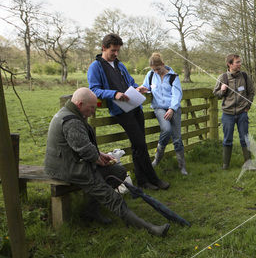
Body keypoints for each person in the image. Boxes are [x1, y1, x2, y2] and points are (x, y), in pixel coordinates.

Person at [44, 88, 169, 236]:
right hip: (65, 168)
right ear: (79, 104)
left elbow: (82, 147)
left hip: (72, 162)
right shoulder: (71, 122)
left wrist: (100, 155)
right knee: (112, 197)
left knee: (118, 171)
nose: (93, 112)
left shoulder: (73, 113)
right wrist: (98, 159)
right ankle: (150, 229)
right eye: (91, 108)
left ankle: (91, 211)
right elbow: (85, 150)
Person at [87, 33, 169, 191]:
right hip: (120, 110)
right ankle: (153, 179)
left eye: (118, 51)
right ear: (104, 48)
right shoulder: (95, 67)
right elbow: (94, 89)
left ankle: (142, 181)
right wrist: (114, 94)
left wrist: (138, 87)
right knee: (139, 144)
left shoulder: (119, 65)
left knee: (140, 145)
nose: (116, 54)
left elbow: (130, 82)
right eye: (113, 51)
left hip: (134, 105)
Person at [144, 52, 187, 175]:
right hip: (159, 108)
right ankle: (157, 160)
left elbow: (177, 94)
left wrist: (172, 109)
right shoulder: (151, 75)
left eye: (158, 69)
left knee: (177, 138)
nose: (156, 71)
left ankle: (182, 166)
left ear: (163, 64)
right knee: (166, 130)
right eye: (154, 70)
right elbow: (146, 87)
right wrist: (142, 89)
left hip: (174, 109)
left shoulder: (173, 76)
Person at [213, 54, 255, 170]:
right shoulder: (222, 78)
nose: (240, 64)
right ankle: (225, 165)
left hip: (242, 113)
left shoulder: (245, 77)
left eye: (240, 62)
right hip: (227, 114)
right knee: (227, 139)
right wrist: (222, 91)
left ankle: (249, 164)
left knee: (244, 139)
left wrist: (248, 106)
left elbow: (251, 92)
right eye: (237, 62)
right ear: (230, 64)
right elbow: (216, 94)